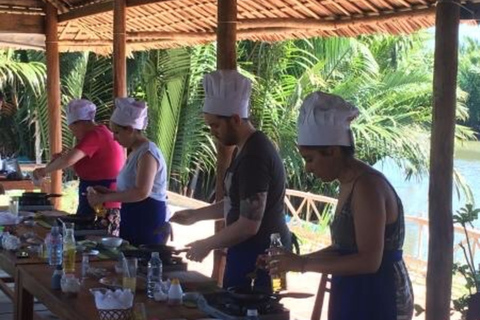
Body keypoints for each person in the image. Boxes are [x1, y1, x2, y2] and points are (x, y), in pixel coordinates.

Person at [266, 92, 414, 320]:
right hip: (356, 285)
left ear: (333, 151)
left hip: (378, 292)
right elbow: (343, 249)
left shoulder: (367, 187)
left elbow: (369, 260)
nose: (308, 168)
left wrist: (303, 263)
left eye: (310, 159)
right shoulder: (348, 182)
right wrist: (291, 260)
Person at [170, 70, 291, 292]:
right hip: (248, 249)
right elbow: (237, 202)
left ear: (235, 119)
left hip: (264, 255)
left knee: (257, 311)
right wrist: (197, 215)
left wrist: (206, 244)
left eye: (215, 125)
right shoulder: (243, 148)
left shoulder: (255, 156)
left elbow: (248, 225)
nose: (212, 132)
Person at [33, 99, 125, 235]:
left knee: (97, 240)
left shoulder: (95, 135)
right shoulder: (98, 133)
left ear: (81, 123)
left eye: (72, 128)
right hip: (91, 192)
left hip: (104, 197)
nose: (73, 133)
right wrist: (60, 161)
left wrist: (43, 171)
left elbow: (69, 159)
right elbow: (82, 166)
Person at [87, 97, 170, 246]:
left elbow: (141, 192)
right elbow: (131, 189)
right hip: (132, 216)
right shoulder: (136, 152)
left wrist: (104, 198)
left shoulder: (148, 153)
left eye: (117, 133)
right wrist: (107, 193)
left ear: (130, 130)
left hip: (146, 219)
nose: (114, 137)